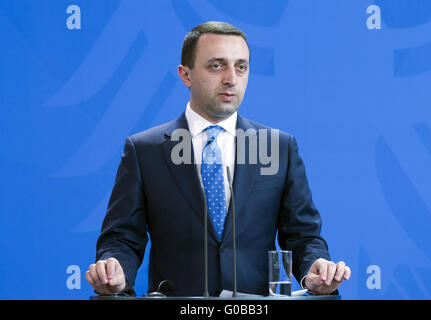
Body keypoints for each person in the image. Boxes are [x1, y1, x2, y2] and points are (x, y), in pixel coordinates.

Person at [86, 21, 351, 297]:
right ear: (185, 75)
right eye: (216, 66)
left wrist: (314, 268)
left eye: (241, 67)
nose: (231, 79)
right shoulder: (144, 150)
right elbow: (122, 237)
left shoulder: (279, 147)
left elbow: (303, 235)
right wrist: (116, 270)